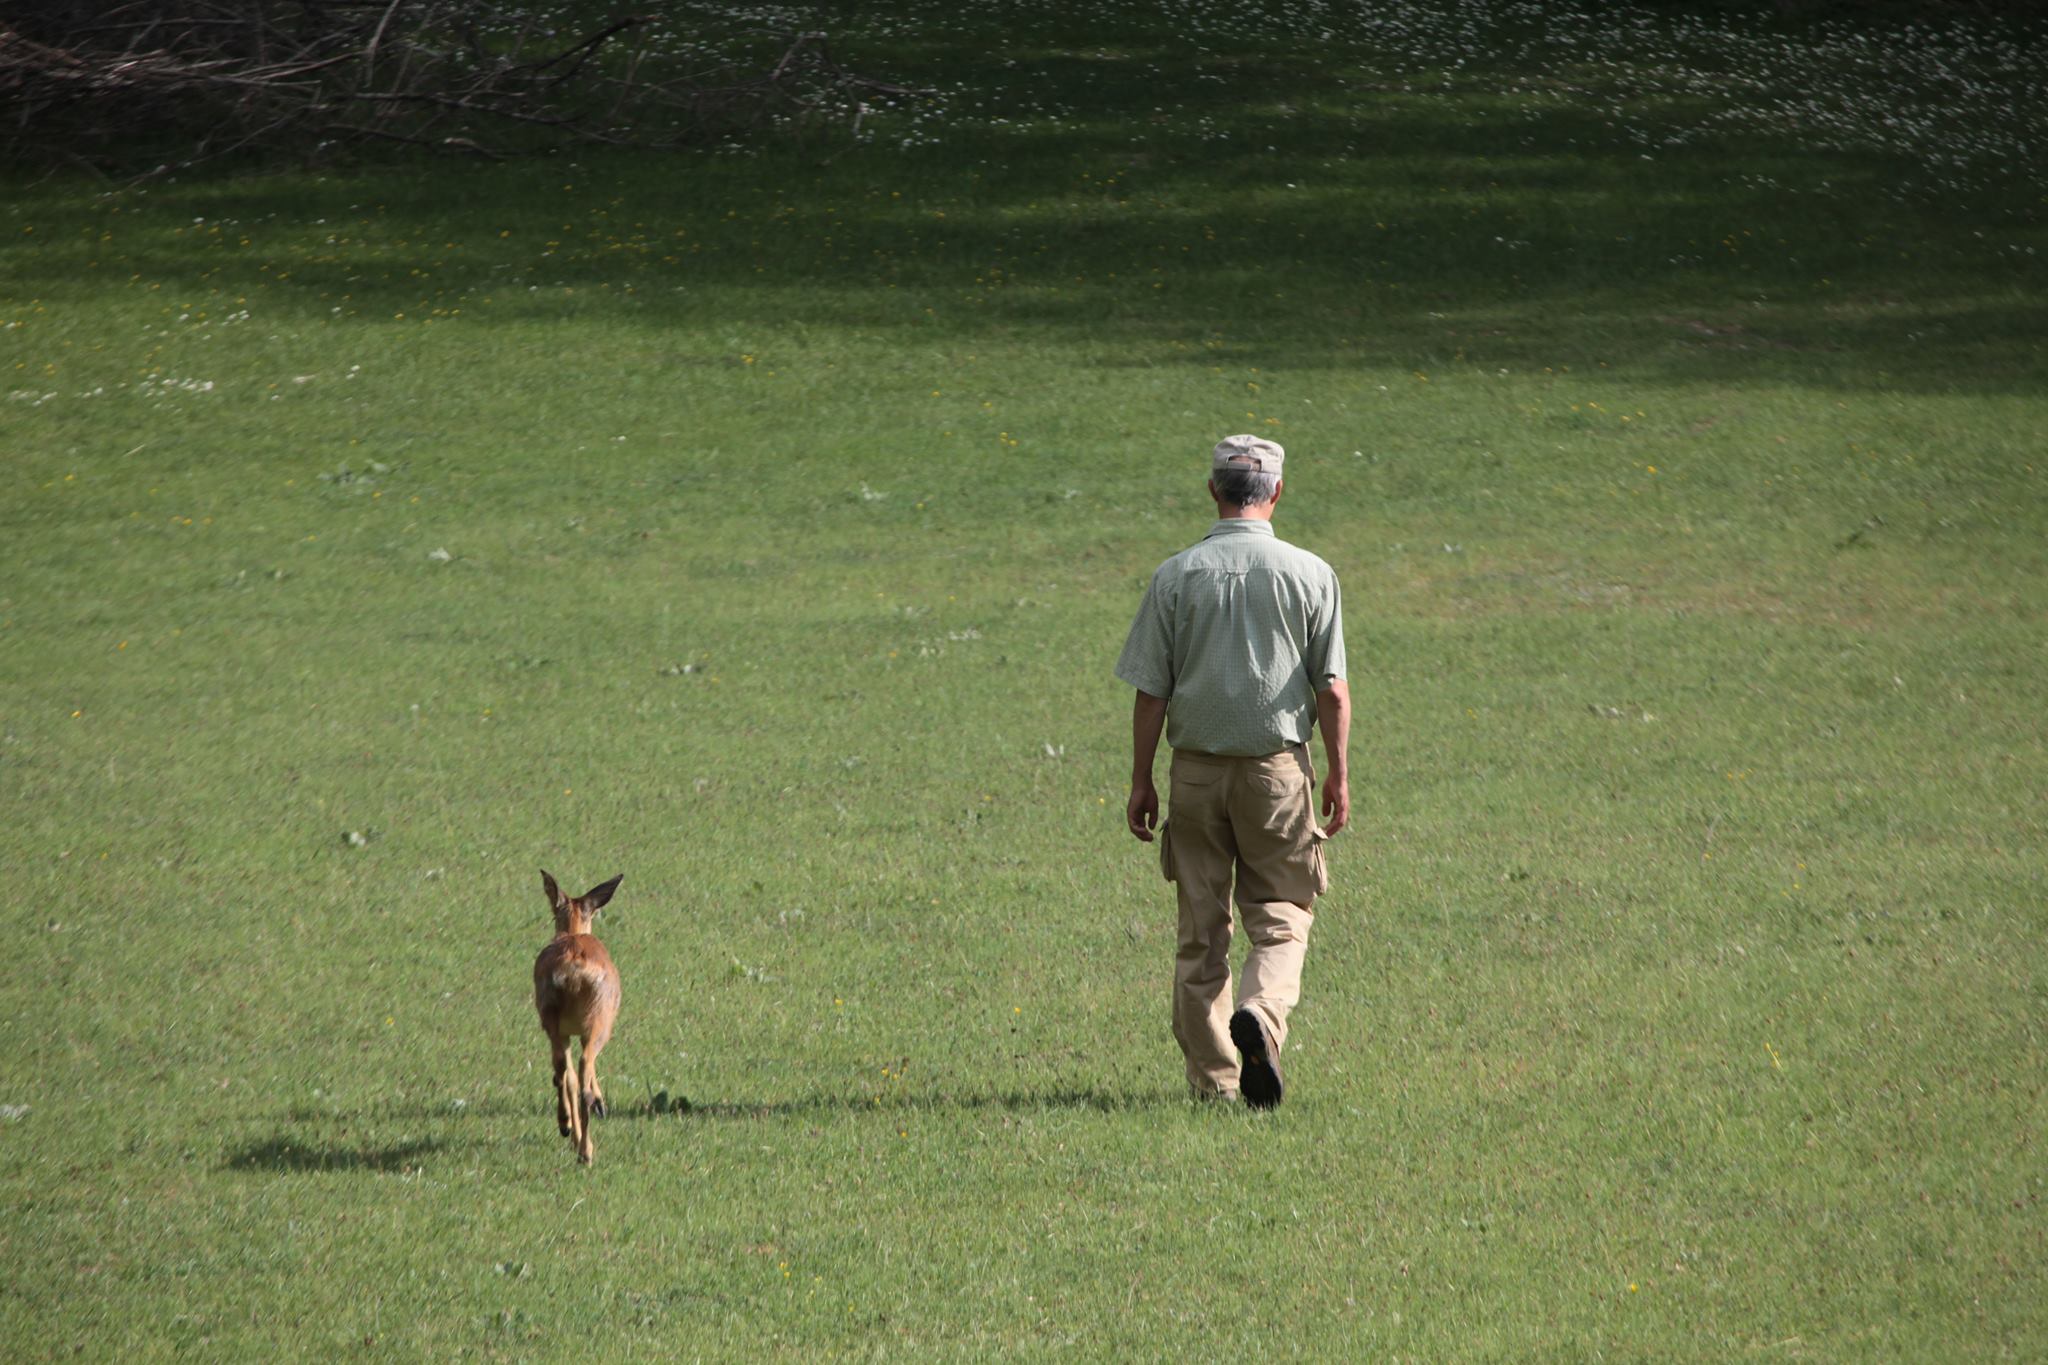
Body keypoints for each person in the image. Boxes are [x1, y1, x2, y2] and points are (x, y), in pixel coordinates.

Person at [1116, 435, 1350, 1109]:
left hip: (1193, 773)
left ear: (1213, 491)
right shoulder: (1310, 573)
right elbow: (1331, 690)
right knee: (1281, 914)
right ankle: (1262, 1016)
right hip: (1276, 772)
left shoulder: (1175, 574)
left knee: (1201, 929)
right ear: (1276, 492)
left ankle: (1217, 1082)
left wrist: (1142, 778)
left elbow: (1150, 690)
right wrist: (1336, 773)